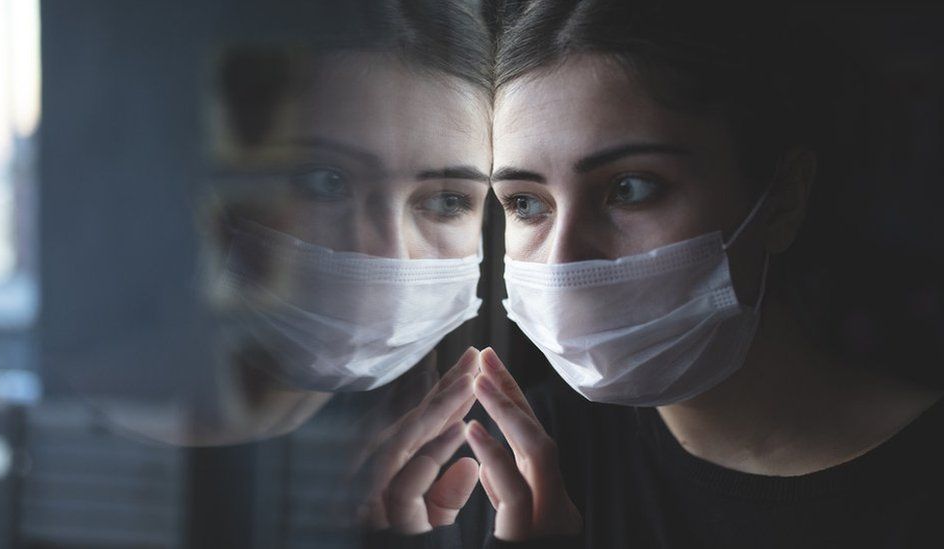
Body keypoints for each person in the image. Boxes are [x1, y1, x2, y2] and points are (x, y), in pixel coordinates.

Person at [374, 2, 944, 548]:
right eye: (525, 203)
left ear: (783, 199)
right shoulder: (525, 454)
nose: (565, 260)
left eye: (630, 189)